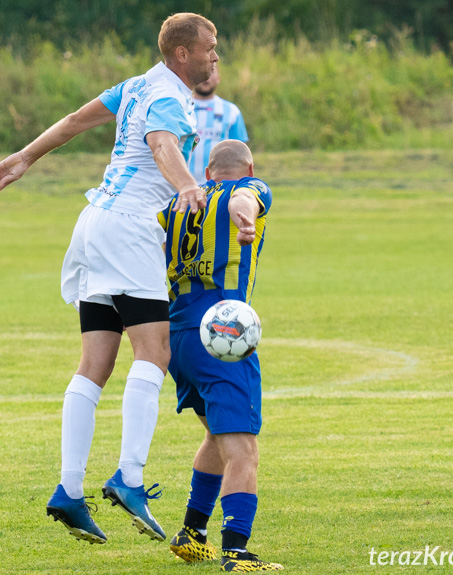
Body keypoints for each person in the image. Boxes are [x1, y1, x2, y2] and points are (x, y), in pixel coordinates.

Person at [0, 13, 219, 544]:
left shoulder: (134, 85)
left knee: (95, 363)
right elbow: (162, 144)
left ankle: (68, 490)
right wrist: (185, 186)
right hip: (130, 229)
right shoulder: (169, 98)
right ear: (182, 54)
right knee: (154, 354)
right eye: (210, 47)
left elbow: (71, 122)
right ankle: (129, 478)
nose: (215, 57)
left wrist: (26, 156)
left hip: (92, 224)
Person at [159, 140, 283, 572]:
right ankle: (237, 551)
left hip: (178, 335)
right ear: (248, 167)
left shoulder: (177, 204)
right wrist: (244, 214)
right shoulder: (249, 187)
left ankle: (192, 534)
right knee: (244, 450)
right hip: (223, 333)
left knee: (217, 435)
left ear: (207, 173)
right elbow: (248, 199)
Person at [188, 67, 249, 184]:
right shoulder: (180, 108)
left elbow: (241, 152)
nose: (206, 77)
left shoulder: (232, 111)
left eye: (211, 72)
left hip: (219, 185)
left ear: (218, 78)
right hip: (182, 185)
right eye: (201, 72)